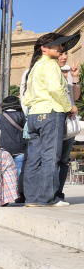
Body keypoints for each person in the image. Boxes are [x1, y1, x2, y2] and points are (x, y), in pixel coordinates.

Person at [23, 32, 79, 206]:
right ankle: (48, 198)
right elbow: (56, 89)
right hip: (50, 113)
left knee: (34, 159)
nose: (61, 48)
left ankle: (32, 198)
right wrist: (68, 106)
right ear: (44, 48)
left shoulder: (35, 67)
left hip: (34, 115)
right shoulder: (50, 65)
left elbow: (26, 96)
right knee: (50, 157)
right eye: (57, 46)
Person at [57, 50, 81, 202]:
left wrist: (76, 78)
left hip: (69, 122)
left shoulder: (69, 73)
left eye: (66, 53)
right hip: (54, 119)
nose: (64, 57)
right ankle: (49, 193)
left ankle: (58, 192)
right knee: (52, 158)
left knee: (64, 160)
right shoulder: (50, 72)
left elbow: (76, 96)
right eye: (61, 54)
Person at [0, 95, 27, 202]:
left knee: (6, 174)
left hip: (3, 150)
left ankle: (6, 195)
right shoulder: (21, 116)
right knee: (19, 172)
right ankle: (19, 195)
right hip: (20, 149)